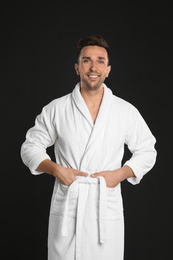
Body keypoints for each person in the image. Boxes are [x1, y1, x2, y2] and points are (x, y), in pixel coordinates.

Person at [21, 35, 157, 260]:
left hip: (104, 207)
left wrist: (119, 175)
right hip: (68, 206)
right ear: (77, 67)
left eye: (100, 61)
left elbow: (148, 150)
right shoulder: (57, 109)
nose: (93, 67)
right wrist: (56, 169)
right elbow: (29, 147)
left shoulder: (125, 111)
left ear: (108, 69)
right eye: (86, 60)